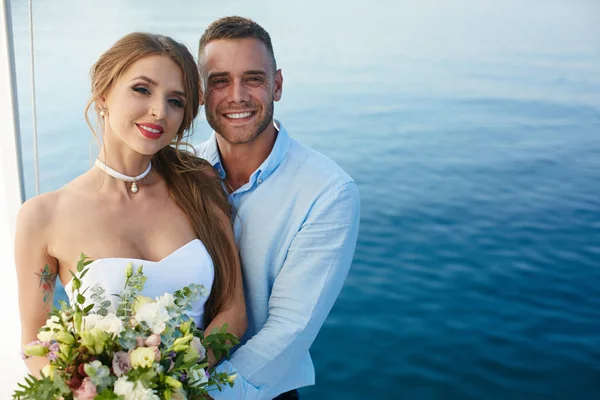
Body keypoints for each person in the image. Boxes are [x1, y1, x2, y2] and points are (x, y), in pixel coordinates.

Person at [14, 32, 246, 377]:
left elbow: (234, 312)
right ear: (104, 94)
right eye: (142, 89)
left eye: (176, 101)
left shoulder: (199, 182)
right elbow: (35, 347)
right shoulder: (43, 216)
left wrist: (178, 381)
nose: (159, 111)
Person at [196, 16, 361, 399]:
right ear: (201, 93)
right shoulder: (178, 172)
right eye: (220, 80)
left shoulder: (328, 191)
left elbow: (291, 329)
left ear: (278, 85)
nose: (237, 95)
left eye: (253, 78)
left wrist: (199, 393)